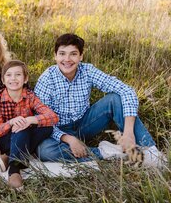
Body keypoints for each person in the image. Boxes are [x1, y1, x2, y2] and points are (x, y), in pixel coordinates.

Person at [34, 33, 164, 167]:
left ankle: (151, 152)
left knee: (114, 99)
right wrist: (69, 139)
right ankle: (107, 152)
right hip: (57, 130)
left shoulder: (87, 70)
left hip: (85, 123)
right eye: (62, 53)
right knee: (45, 151)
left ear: (81, 56)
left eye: (73, 54)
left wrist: (128, 132)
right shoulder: (46, 79)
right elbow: (42, 121)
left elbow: (127, 90)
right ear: (55, 56)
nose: (67, 59)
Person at [0, 60, 59, 189]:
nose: (13, 78)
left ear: (25, 78)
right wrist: (11, 122)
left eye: (18, 74)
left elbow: (53, 117)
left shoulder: (30, 96)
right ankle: (14, 171)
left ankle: (9, 158)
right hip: (6, 140)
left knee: (47, 128)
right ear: (3, 80)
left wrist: (29, 120)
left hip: (25, 135)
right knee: (20, 129)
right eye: (9, 75)